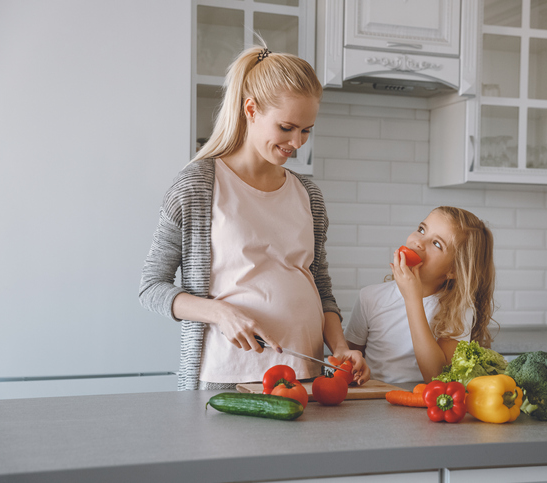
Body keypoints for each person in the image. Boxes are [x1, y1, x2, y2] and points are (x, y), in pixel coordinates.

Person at [139, 45, 369, 391]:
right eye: (287, 127)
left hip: (306, 373)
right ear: (251, 109)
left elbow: (321, 288)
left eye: (306, 130)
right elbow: (151, 288)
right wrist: (219, 313)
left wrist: (340, 347)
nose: (297, 142)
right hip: (227, 377)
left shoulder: (308, 195)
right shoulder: (198, 185)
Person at [344, 206, 496, 384]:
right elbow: (348, 362)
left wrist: (412, 299)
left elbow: (437, 377)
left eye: (437, 244)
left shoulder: (458, 310)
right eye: (422, 230)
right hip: (373, 403)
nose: (419, 242)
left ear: (453, 270)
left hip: (423, 406)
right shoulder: (369, 298)